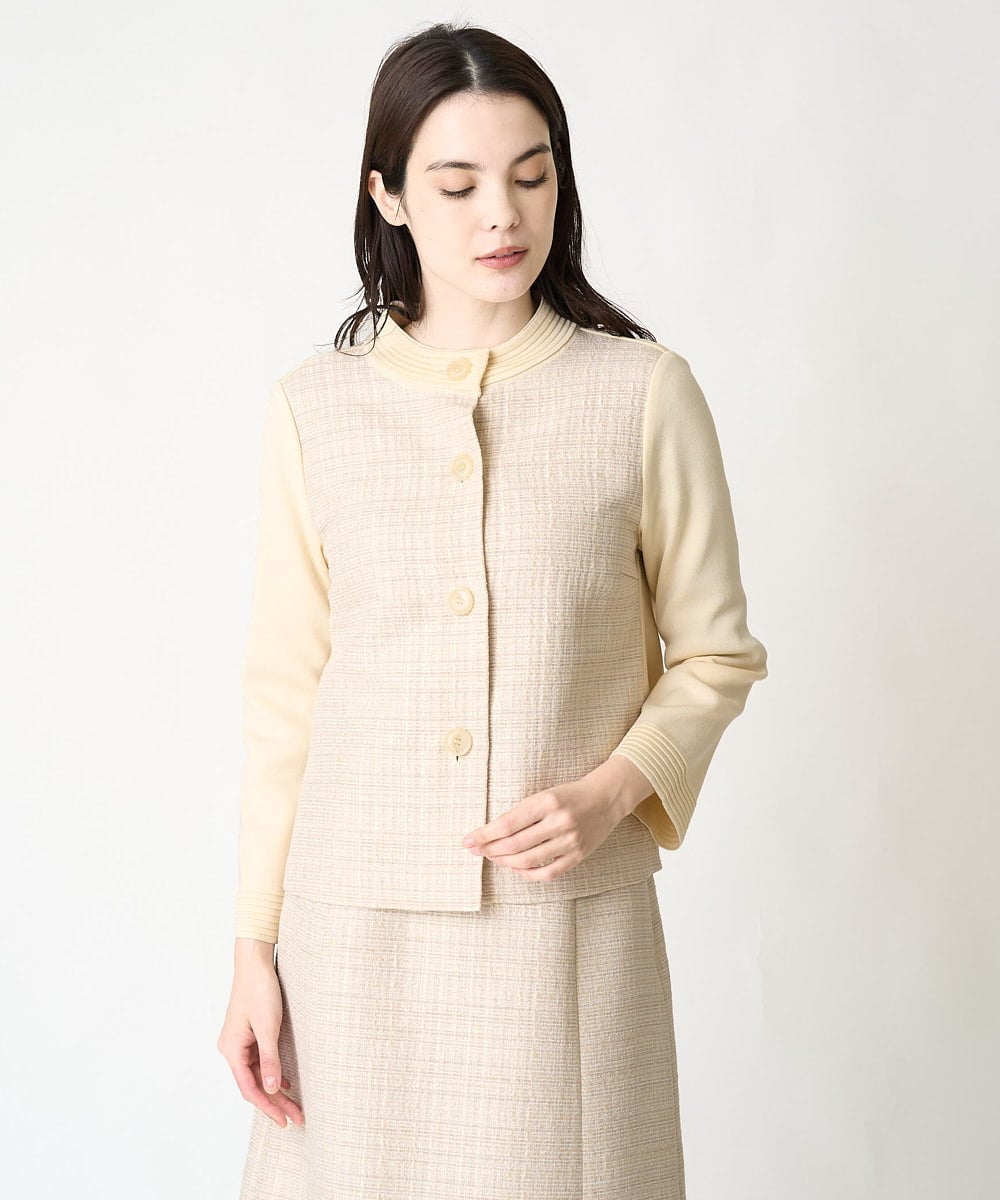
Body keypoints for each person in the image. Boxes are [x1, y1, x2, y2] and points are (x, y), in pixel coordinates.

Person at [217, 21, 768, 1200]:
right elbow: (284, 696)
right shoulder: (314, 409)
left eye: (530, 175)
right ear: (388, 196)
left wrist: (610, 793)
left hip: (561, 925)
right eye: (457, 185)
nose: (502, 217)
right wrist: (253, 946)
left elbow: (716, 654)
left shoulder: (642, 392)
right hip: (348, 937)